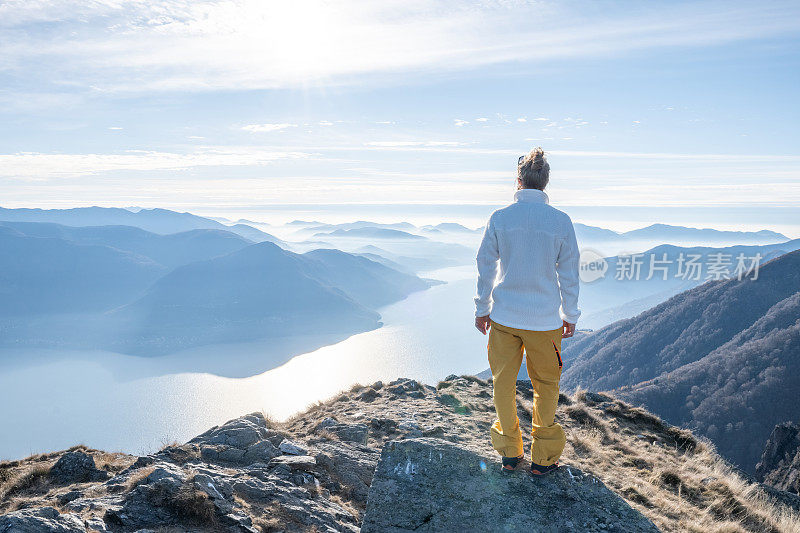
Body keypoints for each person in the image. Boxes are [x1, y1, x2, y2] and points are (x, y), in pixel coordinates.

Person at [474, 147, 580, 475]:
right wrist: (570, 314)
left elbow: (485, 263)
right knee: (545, 386)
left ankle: (509, 452)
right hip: (545, 321)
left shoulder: (500, 218)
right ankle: (543, 459)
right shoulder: (561, 222)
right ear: (546, 182)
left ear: (518, 180)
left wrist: (483, 308)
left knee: (502, 384)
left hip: (504, 319)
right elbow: (570, 271)